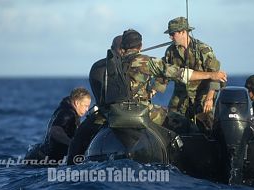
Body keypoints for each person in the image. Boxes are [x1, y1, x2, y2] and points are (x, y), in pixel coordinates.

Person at [67, 29, 227, 165]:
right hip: (141, 111)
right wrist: (212, 74)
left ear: (122, 47)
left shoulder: (112, 64)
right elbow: (182, 74)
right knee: (184, 123)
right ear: (141, 46)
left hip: (113, 113)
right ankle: (198, 161)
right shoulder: (146, 61)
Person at [162, 16, 222, 131]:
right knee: (170, 123)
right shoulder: (170, 51)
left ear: (183, 32)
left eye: (173, 34)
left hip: (202, 94)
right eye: (170, 34)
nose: (170, 37)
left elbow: (215, 74)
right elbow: (165, 72)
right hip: (180, 94)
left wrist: (210, 98)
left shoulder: (203, 50)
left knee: (207, 125)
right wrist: (154, 90)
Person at [24, 87, 91, 165]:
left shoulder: (66, 109)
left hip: (39, 155)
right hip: (41, 160)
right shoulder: (68, 114)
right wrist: (72, 144)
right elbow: (55, 131)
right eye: (85, 106)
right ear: (76, 103)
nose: (87, 109)